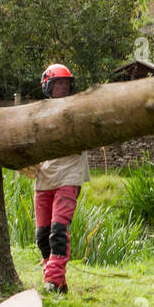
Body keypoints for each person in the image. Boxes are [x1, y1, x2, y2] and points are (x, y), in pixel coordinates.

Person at [21, 64, 89, 294]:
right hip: (44, 177)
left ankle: (55, 280)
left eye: (66, 84)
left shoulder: (78, 108)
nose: (63, 87)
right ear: (48, 86)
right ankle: (53, 281)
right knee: (42, 236)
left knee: (58, 230)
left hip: (70, 174)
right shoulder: (38, 112)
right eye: (58, 83)